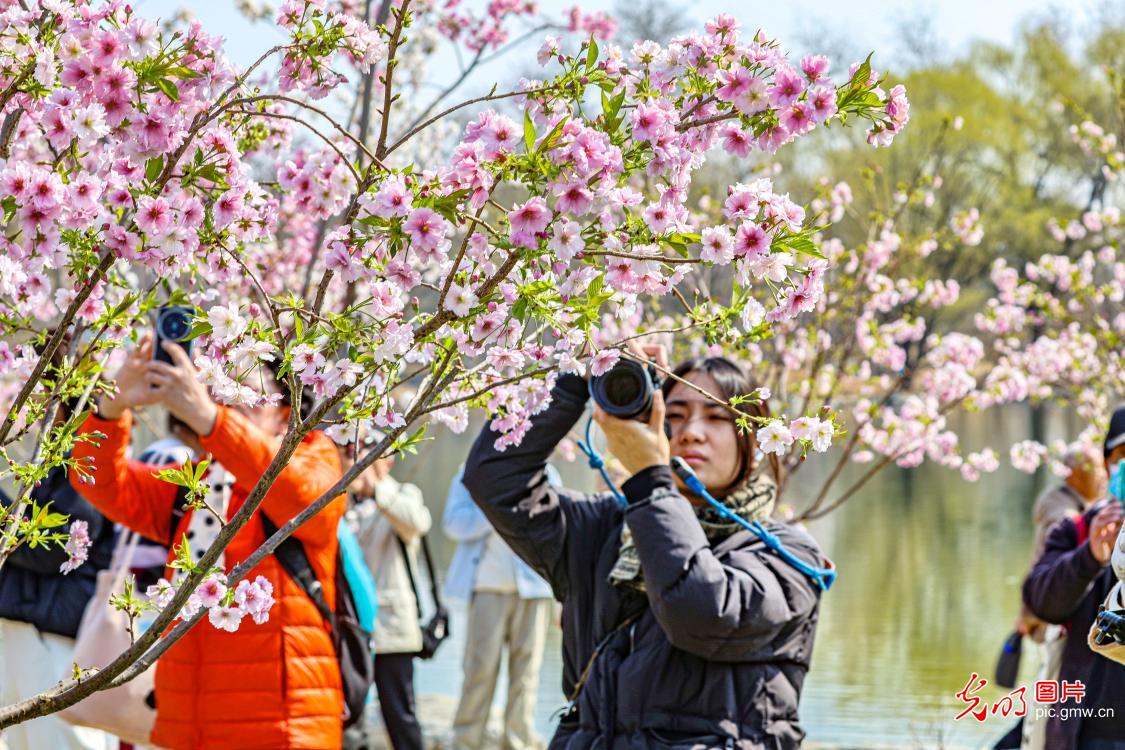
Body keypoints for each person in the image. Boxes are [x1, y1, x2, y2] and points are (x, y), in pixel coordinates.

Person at [462, 349, 827, 749]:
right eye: (673, 415)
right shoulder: (605, 530)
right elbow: (494, 479)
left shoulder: (789, 558)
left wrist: (651, 481)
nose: (690, 432)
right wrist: (582, 375)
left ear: (752, 440)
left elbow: (701, 611)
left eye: (717, 417)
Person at [70, 333, 347, 749]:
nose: (232, 407)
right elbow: (102, 484)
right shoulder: (196, 484)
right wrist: (112, 407)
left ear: (285, 413)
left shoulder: (313, 453)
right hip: (187, 727)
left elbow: (306, 499)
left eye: (250, 396)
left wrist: (213, 423)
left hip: (284, 730)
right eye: (224, 396)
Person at [0, 401, 118, 750]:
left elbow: (52, 547)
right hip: (24, 631)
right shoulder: (58, 457)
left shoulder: (91, 457)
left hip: (58, 642)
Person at [1023, 405, 1125, 750]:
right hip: (1081, 729)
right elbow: (1040, 601)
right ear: (1108, 461)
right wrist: (1090, 556)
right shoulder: (1079, 527)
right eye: (1123, 454)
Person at [998, 447, 1107, 750]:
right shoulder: (1064, 513)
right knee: (1050, 702)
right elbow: (1049, 569)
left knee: (1046, 703)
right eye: (1095, 469)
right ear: (1074, 474)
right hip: (1055, 622)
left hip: (1050, 618)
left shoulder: (1070, 504)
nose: (1100, 477)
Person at [443, 464, 554, 750]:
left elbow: (555, 529)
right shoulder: (471, 473)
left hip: (534, 587)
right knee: (479, 670)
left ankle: (518, 742)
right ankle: (466, 741)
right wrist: (495, 508)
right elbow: (453, 523)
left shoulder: (545, 472)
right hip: (486, 587)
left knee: (527, 672)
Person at [343, 444, 430, 750]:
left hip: (392, 627)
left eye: (373, 455)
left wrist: (376, 486)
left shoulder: (403, 494)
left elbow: (417, 523)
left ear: (389, 461)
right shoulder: (341, 500)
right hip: (350, 627)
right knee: (350, 716)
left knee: (400, 714)